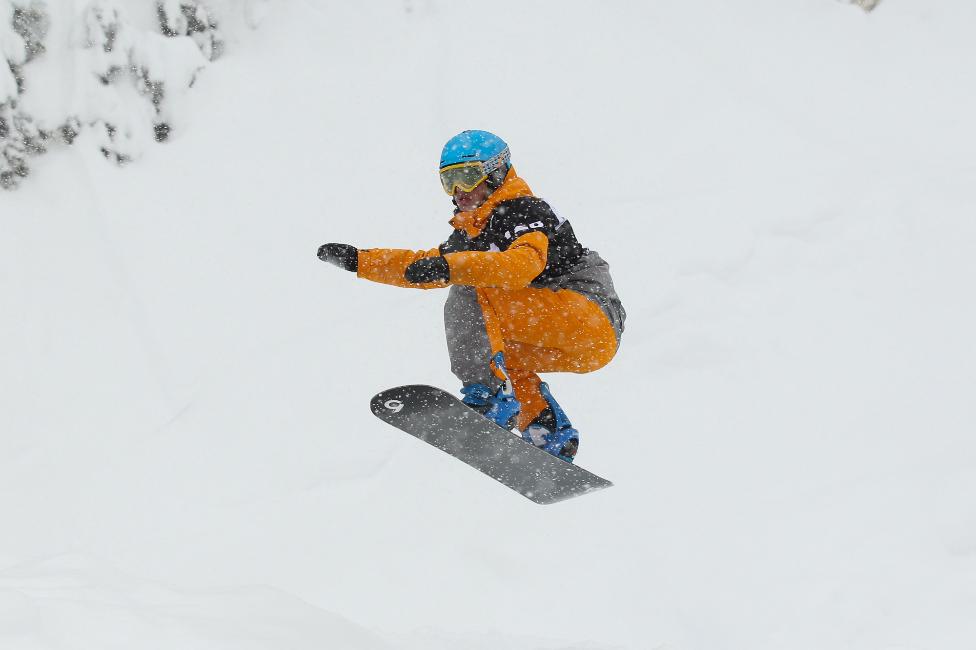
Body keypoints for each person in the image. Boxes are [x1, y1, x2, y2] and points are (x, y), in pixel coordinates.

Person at [318, 130, 625, 463]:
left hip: (587, 313)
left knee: (469, 288)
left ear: (496, 172)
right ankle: (546, 430)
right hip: (581, 345)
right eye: (448, 181)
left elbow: (522, 266)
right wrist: (360, 262)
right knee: (495, 350)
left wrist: (452, 267)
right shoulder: (472, 233)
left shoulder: (523, 210)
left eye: (466, 177)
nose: (458, 191)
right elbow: (420, 265)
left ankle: (488, 396)